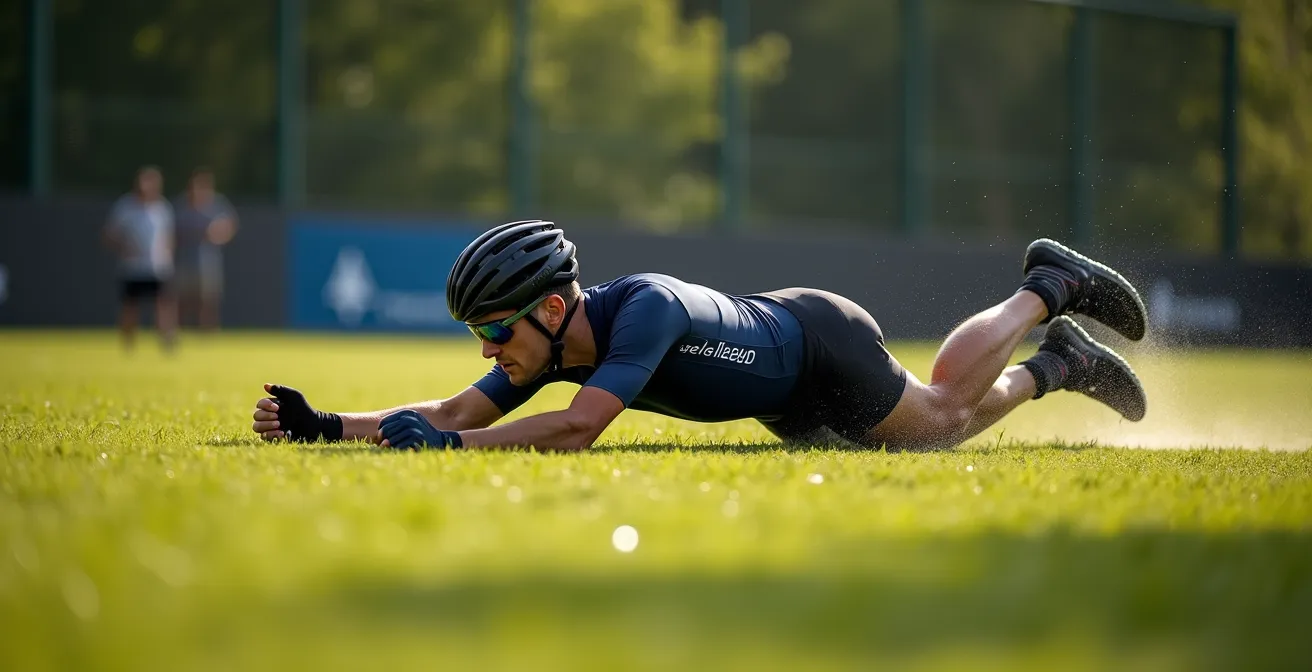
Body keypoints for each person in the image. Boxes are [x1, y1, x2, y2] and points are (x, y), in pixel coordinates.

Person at [250, 220, 1148, 452]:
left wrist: (449, 448)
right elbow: (446, 409)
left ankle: (1047, 291)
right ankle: (1062, 362)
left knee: (944, 416)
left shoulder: (642, 310)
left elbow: (577, 430)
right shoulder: (551, 346)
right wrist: (325, 424)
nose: (488, 350)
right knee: (930, 434)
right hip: (784, 398)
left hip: (818, 344)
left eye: (494, 328)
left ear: (552, 308)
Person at [104, 166, 177, 351]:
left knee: (163, 305)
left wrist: (167, 255)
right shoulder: (125, 207)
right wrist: (124, 247)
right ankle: (128, 345)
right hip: (132, 268)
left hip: (157, 267)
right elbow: (109, 234)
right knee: (130, 307)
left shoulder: (162, 208)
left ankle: (167, 343)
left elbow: (169, 237)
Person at [173, 167, 237, 331]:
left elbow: (230, 226)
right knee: (183, 299)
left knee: (208, 299)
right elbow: (171, 232)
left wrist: (216, 234)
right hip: (185, 260)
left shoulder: (217, 204)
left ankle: (208, 332)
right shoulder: (182, 205)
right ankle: (179, 333)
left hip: (208, 261)